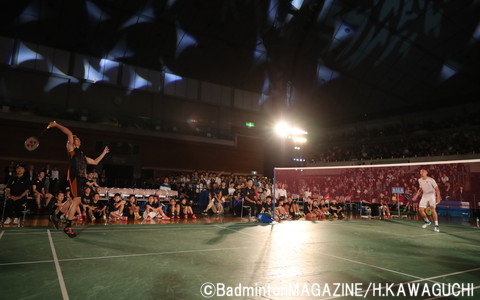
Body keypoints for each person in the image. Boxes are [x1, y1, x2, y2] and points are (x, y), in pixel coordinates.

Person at [49, 121, 109, 238]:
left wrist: (104, 153)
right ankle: (68, 227)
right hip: (74, 177)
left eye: (78, 139)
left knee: (71, 200)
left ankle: (56, 215)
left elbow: (95, 162)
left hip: (80, 179)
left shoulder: (82, 155)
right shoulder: (71, 149)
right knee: (77, 201)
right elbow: (69, 133)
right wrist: (56, 125)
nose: (78, 139)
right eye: (76, 139)